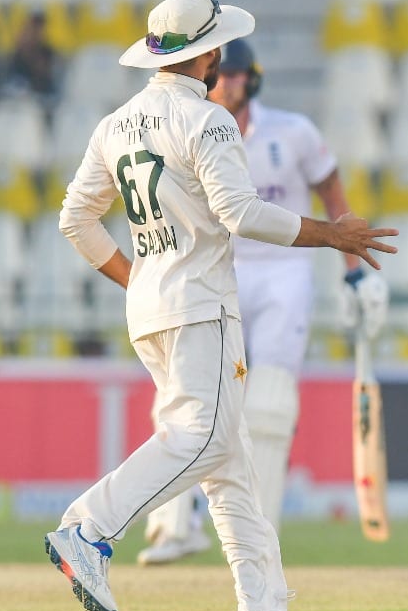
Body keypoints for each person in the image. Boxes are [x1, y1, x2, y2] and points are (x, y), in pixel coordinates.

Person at [48, 0, 398, 611]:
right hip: (201, 304)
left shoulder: (116, 123)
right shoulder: (208, 121)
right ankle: (88, 529)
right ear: (207, 53)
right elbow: (242, 215)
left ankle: (263, 606)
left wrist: (135, 278)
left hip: (152, 306)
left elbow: (76, 219)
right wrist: (333, 234)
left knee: (229, 461)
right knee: (205, 439)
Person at [137, 38, 390, 564]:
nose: (227, 83)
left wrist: (355, 275)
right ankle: (172, 527)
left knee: (269, 404)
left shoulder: (293, 132)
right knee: (188, 396)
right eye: (219, 74)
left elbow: (335, 199)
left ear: (253, 78)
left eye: (236, 75)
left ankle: (260, 538)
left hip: (283, 273)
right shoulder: (187, 129)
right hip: (215, 269)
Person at [6, 11, 59, 100]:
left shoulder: (47, 52)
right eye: (32, 29)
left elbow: (49, 83)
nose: (35, 33)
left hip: (42, 96)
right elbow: (13, 80)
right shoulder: (17, 54)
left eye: (39, 29)